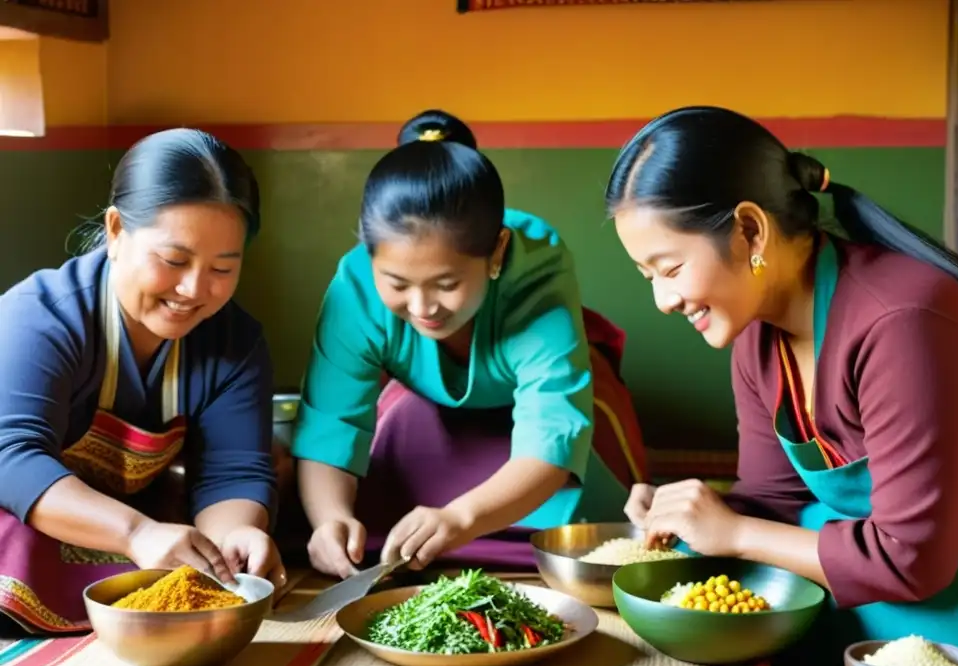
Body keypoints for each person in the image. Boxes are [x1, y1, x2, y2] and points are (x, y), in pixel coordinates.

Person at [607, 106, 958, 666]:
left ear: (750, 229)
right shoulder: (758, 338)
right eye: (647, 276)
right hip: (896, 553)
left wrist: (732, 532)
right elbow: (773, 505)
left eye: (671, 268)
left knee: (842, 606)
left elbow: (912, 561)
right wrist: (682, 516)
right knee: (779, 579)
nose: (663, 300)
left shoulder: (905, 323)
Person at [290, 109, 647, 577]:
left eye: (446, 282)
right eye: (397, 282)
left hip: (541, 438)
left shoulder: (535, 265)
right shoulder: (355, 281)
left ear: (497, 251)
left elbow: (551, 434)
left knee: (582, 544)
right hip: (428, 421)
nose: (422, 306)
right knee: (370, 515)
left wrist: (461, 518)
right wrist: (330, 520)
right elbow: (331, 422)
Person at [0, 128, 285, 635]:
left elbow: (233, 470)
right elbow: (10, 455)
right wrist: (133, 532)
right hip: (35, 516)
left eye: (223, 267)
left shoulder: (236, 342)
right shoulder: (40, 317)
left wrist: (235, 537)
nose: (194, 290)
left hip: (136, 525)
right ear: (115, 231)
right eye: (173, 261)